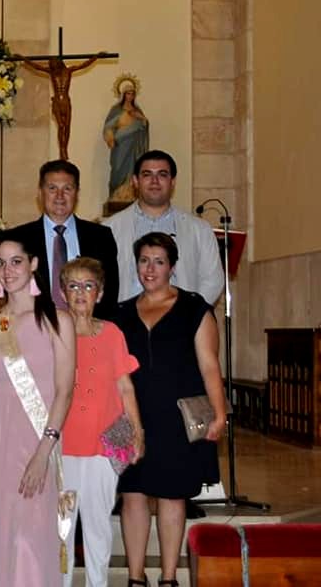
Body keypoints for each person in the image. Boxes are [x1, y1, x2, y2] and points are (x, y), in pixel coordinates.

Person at [0, 230, 76, 586]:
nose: (7, 271)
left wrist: (44, 451)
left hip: (38, 439)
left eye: (16, 262)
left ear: (34, 264)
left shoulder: (58, 319)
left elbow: (64, 390)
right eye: (1, 263)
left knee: (29, 539)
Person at [113, 233, 227, 587]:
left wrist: (220, 413)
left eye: (159, 261)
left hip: (176, 418)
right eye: (144, 260)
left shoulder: (195, 309)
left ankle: (168, 578)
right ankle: (135, 577)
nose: (150, 269)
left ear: (172, 267)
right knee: (132, 495)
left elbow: (209, 365)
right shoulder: (120, 313)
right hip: (131, 416)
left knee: (171, 495)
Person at [58, 257, 143, 587]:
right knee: (62, 527)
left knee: (98, 526)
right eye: (73, 286)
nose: (81, 293)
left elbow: (125, 386)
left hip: (105, 445)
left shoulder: (112, 333)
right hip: (63, 445)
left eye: (88, 285)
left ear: (100, 293)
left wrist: (137, 432)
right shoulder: (54, 331)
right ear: (63, 293)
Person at [104, 150, 224, 305]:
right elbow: (100, 280)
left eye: (162, 174)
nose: (154, 181)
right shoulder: (109, 228)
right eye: (147, 174)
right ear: (135, 181)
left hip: (182, 317)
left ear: (172, 181)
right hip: (126, 316)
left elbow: (213, 280)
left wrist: (190, 312)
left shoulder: (200, 229)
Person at [7, 160, 119, 316]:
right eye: (52, 188)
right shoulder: (18, 238)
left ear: (77, 193)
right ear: (40, 193)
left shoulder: (100, 236)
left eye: (67, 189)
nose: (59, 196)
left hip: (87, 325)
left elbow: (110, 292)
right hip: (34, 325)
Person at [17, 52, 109, 160]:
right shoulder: (51, 72)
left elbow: (84, 65)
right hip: (57, 102)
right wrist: (22, 58)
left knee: (67, 126)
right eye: (51, 65)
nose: (53, 67)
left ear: (59, 63)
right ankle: (62, 149)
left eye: (54, 64)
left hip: (66, 102)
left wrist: (96, 57)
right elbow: (36, 67)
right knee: (61, 126)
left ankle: (65, 148)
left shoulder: (68, 71)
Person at [103, 75, 149, 203]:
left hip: (134, 147)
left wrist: (142, 120)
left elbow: (144, 126)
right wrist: (110, 138)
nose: (130, 96)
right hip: (120, 146)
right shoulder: (116, 110)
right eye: (128, 93)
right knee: (118, 169)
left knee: (133, 170)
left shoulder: (137, 111)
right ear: (123, 95)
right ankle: (116, 195)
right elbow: (108, 127)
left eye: (132, 94)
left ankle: (130, 195)